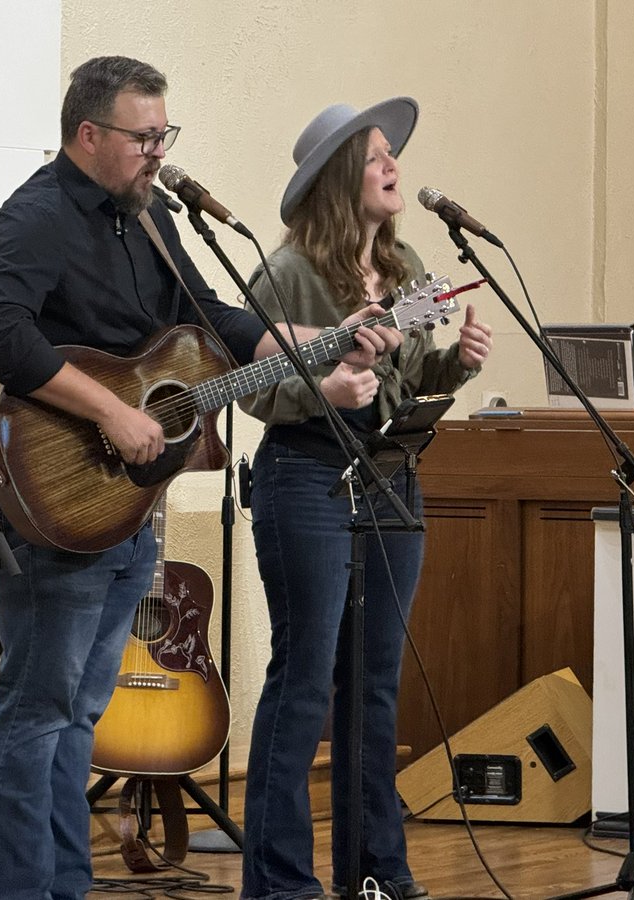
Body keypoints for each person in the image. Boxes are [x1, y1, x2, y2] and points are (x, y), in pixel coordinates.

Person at [0, 57, 402, 900]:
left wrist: (327, 337)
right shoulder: (36, 215)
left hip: (128, 506)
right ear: (88, 135)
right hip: (52, 494)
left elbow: (217, 322)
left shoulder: (154, 214)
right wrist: (108, 411)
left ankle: (63, 888)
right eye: (142, 136)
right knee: (37, 712)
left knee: (78, 718)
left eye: (165, 134)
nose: (158, 151)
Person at [238, 98, 494, 900]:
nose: (394, 168)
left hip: (391, 476)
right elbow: (250, 390)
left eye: (393, 154)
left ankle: (377, 875)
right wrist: (329, 389)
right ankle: (282, 884)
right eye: (378, 156)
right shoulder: (285, 275)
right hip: (306, 475)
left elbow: (407, 377)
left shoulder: (414, 267)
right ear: (340, 176)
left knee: (375, 683)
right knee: (306, 678)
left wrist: (456, 366)